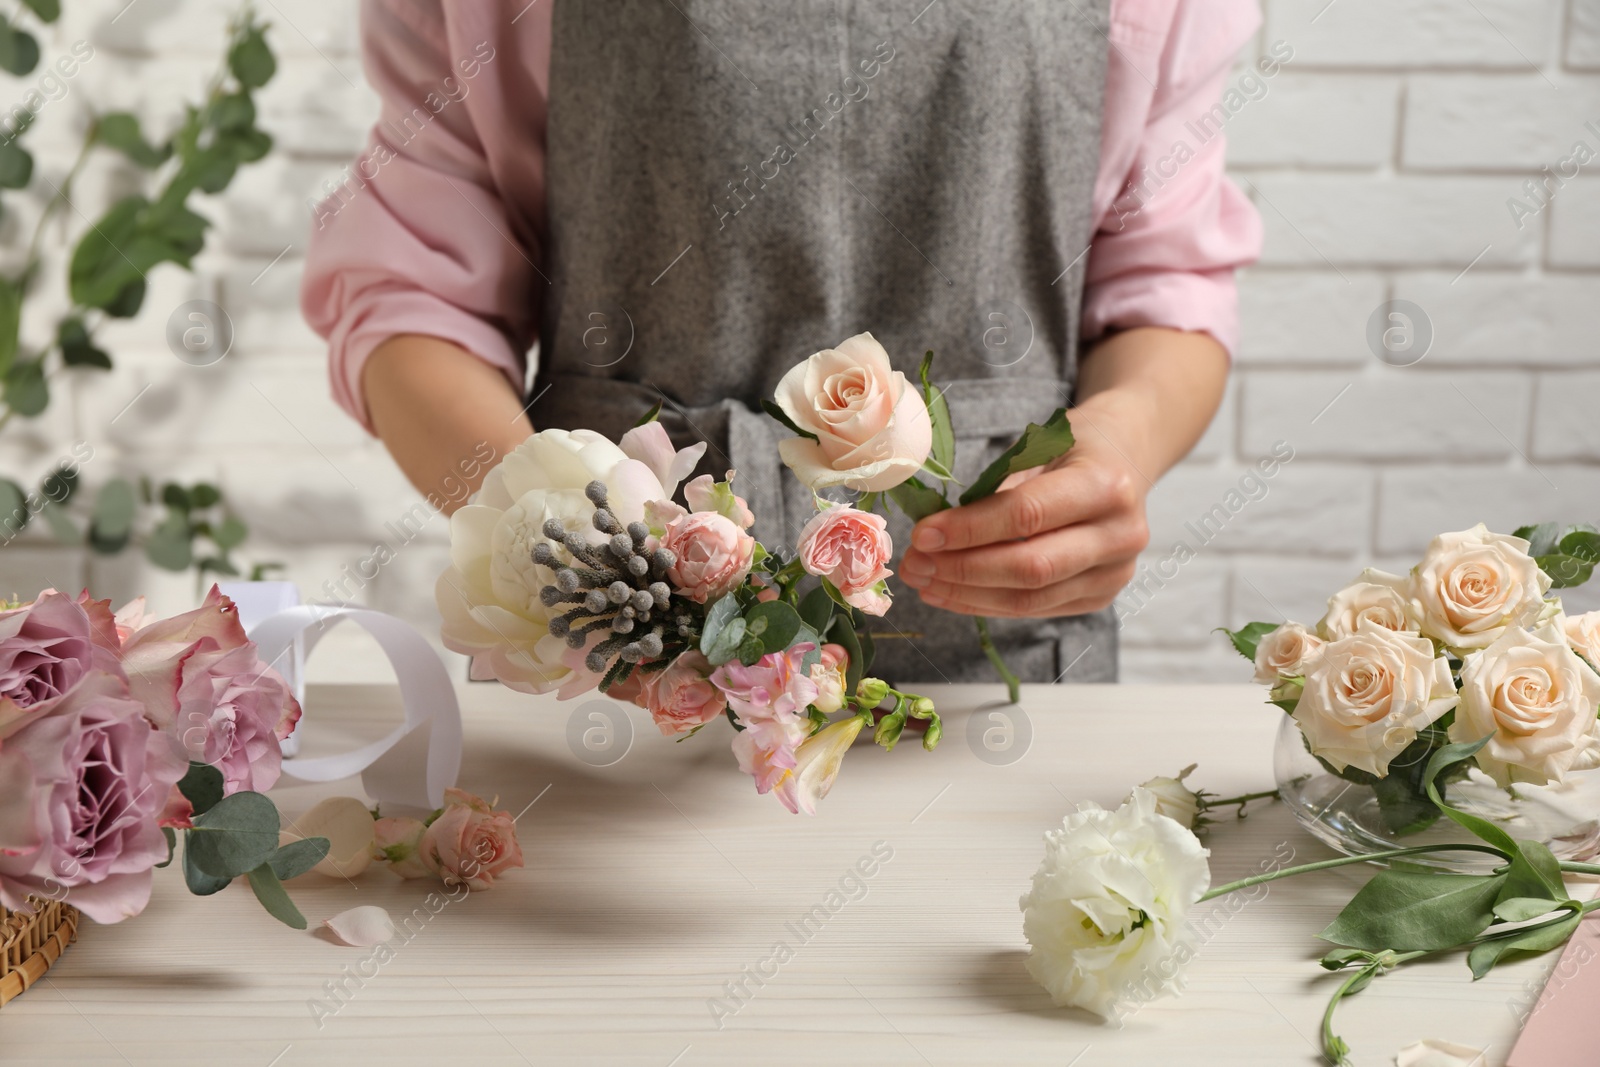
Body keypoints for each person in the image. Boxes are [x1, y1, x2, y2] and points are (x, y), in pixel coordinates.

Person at [302, 0, 1263, 687]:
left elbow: (1163, 282)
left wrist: (1122, 440)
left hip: (1003, 660)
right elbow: (411, 295)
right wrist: (556, 543)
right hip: (612, 655)